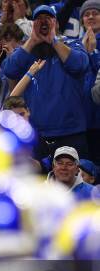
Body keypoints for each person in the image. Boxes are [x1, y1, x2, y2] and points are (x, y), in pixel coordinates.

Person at [2, 5, 89, 160]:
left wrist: (53, 40)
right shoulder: (26, 50)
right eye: (38, 20)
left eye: (47, 19)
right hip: (35, 132)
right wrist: (32, 40)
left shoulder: (72, 44)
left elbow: (80, 65)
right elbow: (9, 70)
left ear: (56, 23)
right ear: (33, 24)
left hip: (70, 132)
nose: (43, 23)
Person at [0, 22, 24, 108]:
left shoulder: (25, 66)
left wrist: (11, 60)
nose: (3, 45)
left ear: (20, 43)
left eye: (8, 40)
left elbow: (14, 97)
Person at [80, 0, 100, 164]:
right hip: (81, 115)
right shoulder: (74, 45)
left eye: (95, 13)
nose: (91, 17)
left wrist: (92, 52)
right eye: (86, 14)